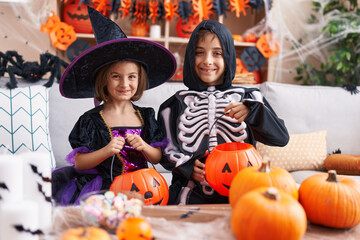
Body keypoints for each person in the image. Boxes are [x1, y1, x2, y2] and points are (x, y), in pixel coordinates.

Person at [52, 6, 176, 206]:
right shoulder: (91, 120)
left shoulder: (145, 115)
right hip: (105, 189)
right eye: (116, 76)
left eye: (131, 77)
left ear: (139, 79)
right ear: (104, 80)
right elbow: (79, 162)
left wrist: (143, 146)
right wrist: (106, 150)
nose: (124, 84)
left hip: (143, 186)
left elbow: (158, 157)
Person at [157, 20, 289, 205]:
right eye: (199, 52)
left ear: (228, 56)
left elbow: (281, 138)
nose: (208, 61)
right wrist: (186, 166)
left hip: (240, 190)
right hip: (189, 192)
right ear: (189, 57)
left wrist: (252, 112)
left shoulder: (250, 97)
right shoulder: (173, 105)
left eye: (217, 53)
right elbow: (165, 147)